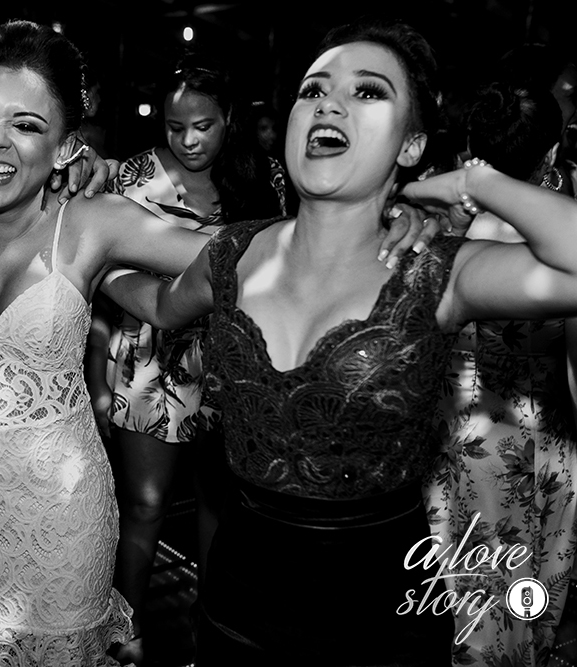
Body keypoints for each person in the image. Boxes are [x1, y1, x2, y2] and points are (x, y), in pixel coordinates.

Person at [100, 18, 577, 665]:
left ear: (411, 144)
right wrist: (84, 261)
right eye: (313, 89)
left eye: (368, 92)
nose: (329, 103)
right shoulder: (233, 253)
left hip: (382, 625)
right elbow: (156, 298)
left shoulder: (438, 270)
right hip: (236, 610)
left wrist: (474, 182)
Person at [0, 19, 229, 666]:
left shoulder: (86, 223)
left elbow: (226, 257)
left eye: (28, 124)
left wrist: (348, 220)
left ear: (65, 145)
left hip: (63, 526)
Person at [85, 54, 287, 665]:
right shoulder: (130, 180)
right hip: (151, 359)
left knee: (220, 505)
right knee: (144, 504)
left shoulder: (265, 178)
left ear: (229, 118)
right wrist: (97, 372)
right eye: (176, 127)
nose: (190, 139)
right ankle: (124, 634)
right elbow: (97, 282)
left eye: (204, 125)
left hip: (232, 360)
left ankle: (212, 633)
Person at [426, 81, 577, 666]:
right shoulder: (557, 247)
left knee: (473, 620)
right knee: (531, 611)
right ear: (548, 156)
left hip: (461, 443)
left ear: (470, 147)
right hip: (548, 445)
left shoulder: (437, 231)